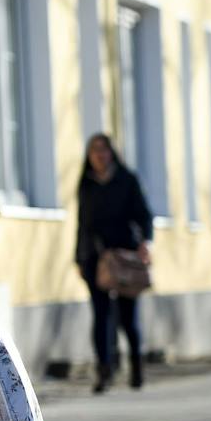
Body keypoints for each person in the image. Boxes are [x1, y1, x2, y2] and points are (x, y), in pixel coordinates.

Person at [75, 134, 153, 392]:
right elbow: (82, 223)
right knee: (101, 316)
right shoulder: (86, 183)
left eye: (104, 150)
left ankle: (137, 367)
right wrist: (79, 256)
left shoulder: (127, 180)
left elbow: (144, 215)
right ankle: (104, 372)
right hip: (94, 259)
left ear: (112, 154)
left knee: (128, 318)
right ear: (89, 156)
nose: (100, 156)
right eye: (94, 151)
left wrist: (145, 243)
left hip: (124, 258)